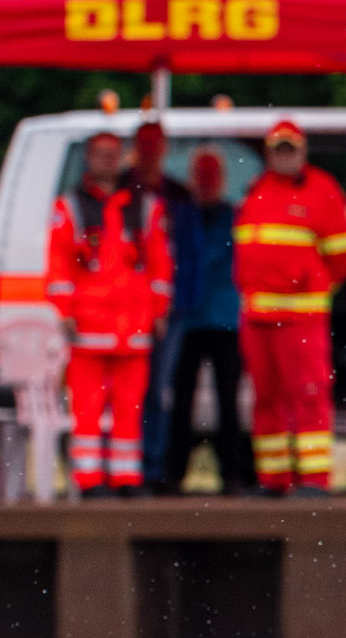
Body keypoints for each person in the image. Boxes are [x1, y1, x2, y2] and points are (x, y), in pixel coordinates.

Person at [46, 132, 172, 497]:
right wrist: (65, 310)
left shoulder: (145, 206)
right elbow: (58, 264)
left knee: (129, 407)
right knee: (87, 406)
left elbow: (160, 263)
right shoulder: (70, 207)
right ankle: (89, 480)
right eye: (101, 154)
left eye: (113, 154)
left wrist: (159, 310)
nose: (107, 160)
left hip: (132, 325)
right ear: (88, 157)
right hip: (89, 325)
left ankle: (126, 478)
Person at [235, 120, 346, 495]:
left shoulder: (322, 191)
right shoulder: (258, 190)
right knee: (266, 399)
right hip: (258, 318)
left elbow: (342, 256)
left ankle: (314, 480)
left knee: (308, 395)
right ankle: (274, 479)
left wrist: (312, 290)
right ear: (269, 153)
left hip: (301, 317)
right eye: (278, 149)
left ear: (302, 151)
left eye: (290, 149)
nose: (284, 156)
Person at [162, 148, 253, 495]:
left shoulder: (233, 217)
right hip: (188, 318)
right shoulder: (182, 217)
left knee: (228, 400)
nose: (206, 183)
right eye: (201, 176)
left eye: (211, 176)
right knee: (181, 399)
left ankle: (233, 474)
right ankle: (174, 474)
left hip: (224, 318)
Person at [127, 121, 195, 493]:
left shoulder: (178, 195)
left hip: (168, 310)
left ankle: (152, 467)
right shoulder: (120, 191)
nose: (152, 151)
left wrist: (178, 305)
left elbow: (187, 255)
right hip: (125, 310)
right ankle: (127, 468)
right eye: (146, 144)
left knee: (157, 392)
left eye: (157, 144)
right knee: (127, 391)